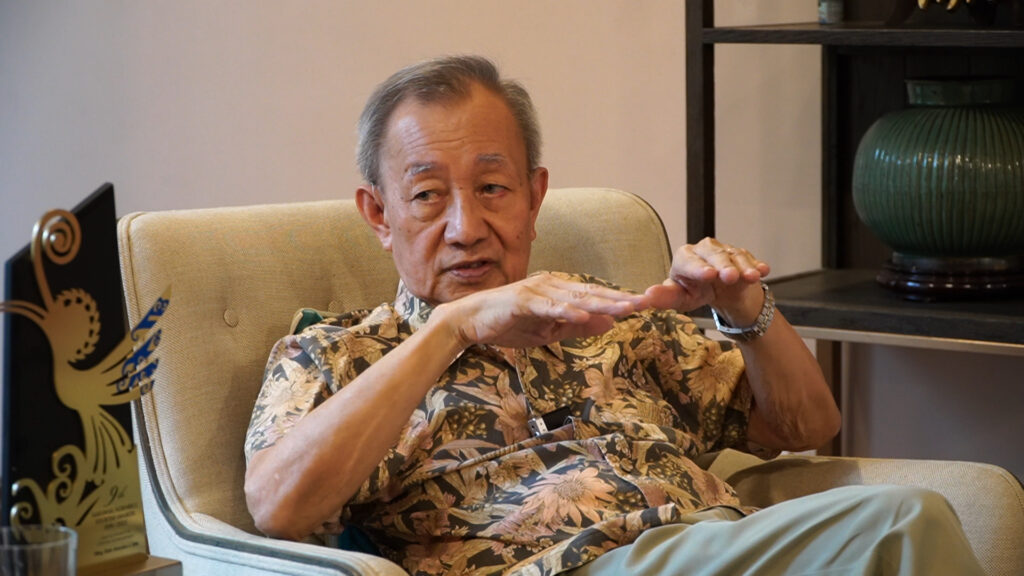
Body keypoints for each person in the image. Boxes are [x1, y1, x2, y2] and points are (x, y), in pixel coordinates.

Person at [243, 55, 984, 576]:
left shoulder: (606, 314)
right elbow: (278, 507)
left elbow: (806, 426)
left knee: (907, 521)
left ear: (534, 197)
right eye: (429, 195)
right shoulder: (336, 355)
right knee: (903, 522)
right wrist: (452, 328)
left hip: (712, 544)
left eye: (493, 189)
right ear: (379, 214)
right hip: (563, 566)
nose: (466, 227)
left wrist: (743, 306)